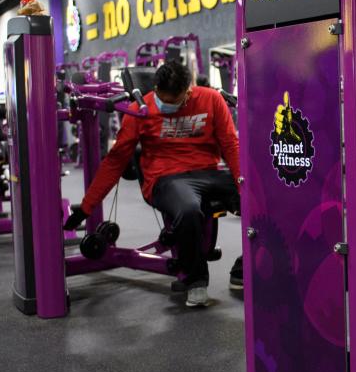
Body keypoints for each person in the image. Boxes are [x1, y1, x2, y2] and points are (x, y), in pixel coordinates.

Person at [64, 60, 241, 307]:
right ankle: (196, 281)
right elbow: (116, 161)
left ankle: (244, 268)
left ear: (188, 91)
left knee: (260, 195)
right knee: (189, 209)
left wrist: (244, 184)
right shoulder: (141, 108)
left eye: (173, 102)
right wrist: (86, 207)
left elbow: (231, 145)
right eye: (162, 99)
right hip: (166, 178)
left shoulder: (211, 99)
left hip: (209, 172)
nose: (165, 105)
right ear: (155, 88)